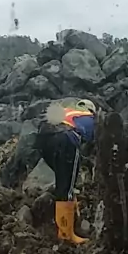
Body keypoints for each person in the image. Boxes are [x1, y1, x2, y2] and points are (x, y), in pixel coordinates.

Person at [37, 98, 97, 245]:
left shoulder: (69, 111)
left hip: (43, 136)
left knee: (63, 180)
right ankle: (66, 234)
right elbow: (92, 146)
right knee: (67, 187)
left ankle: (69, 218)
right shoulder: (92, 119)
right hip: (66, 138)